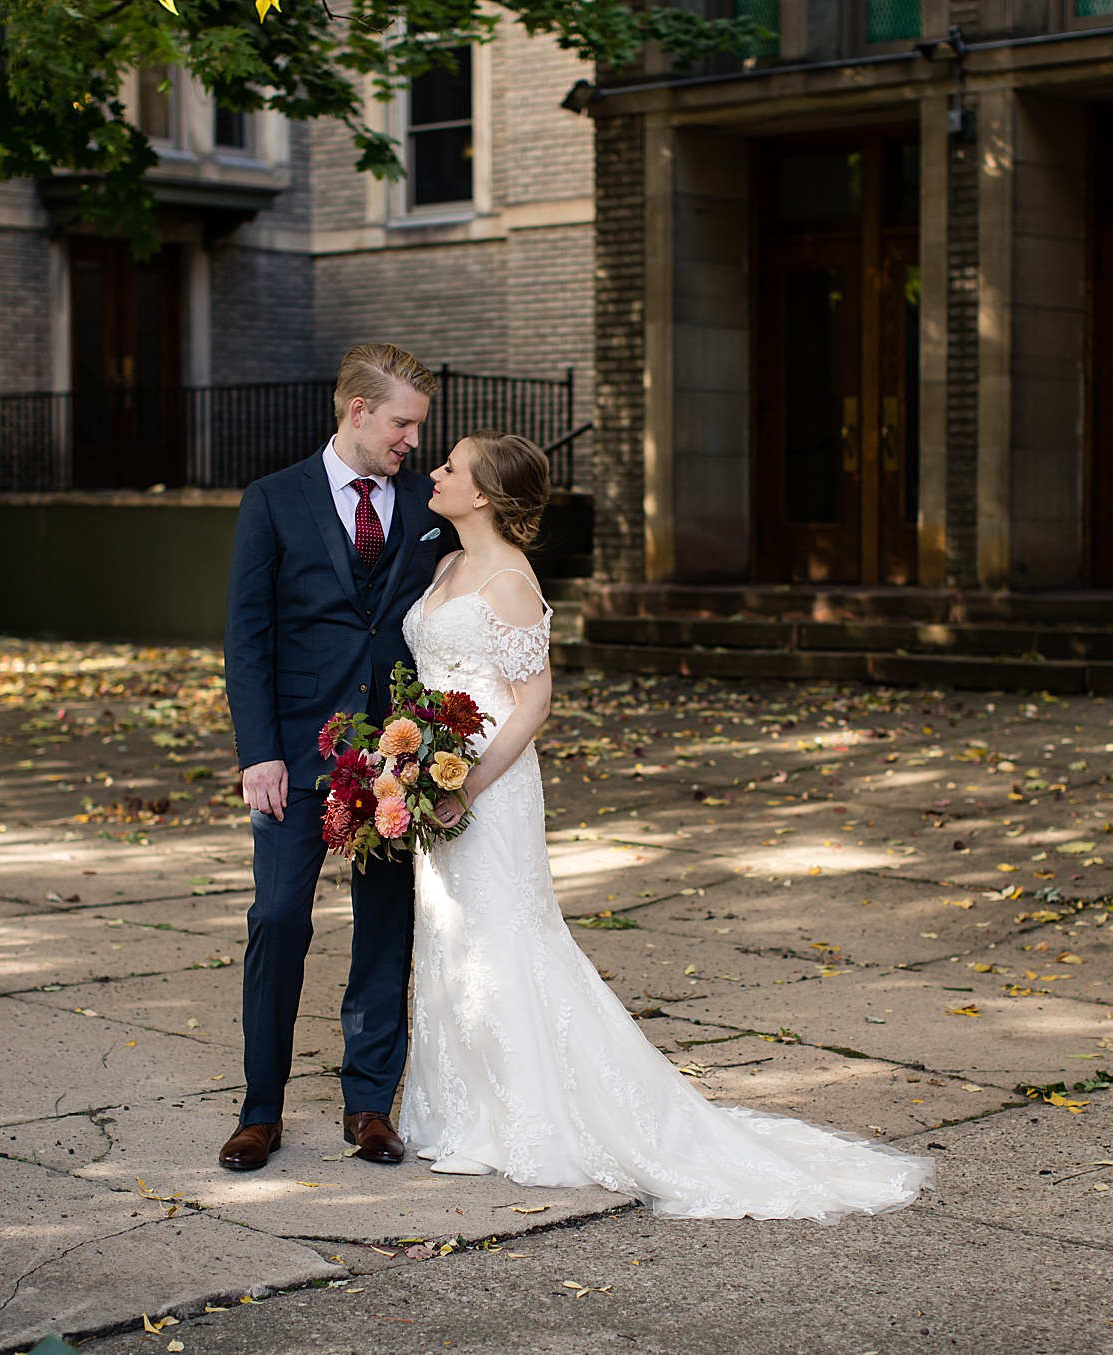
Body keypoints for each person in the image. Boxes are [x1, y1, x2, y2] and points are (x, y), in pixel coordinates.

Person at [398, 430, 936, 1221]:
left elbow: (534, 702)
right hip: (433, 777)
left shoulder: (511, 580)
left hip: (489, 784)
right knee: (452, 933)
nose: (435, 474)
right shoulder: (445, 564)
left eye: (450, 467)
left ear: (481, 493)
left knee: (508, 935)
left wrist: (469, 785)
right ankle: (465, 1108)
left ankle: (532, 1117)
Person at [219, 343, 458, 1172]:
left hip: (394, 764)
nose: (411, 442)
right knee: (278, 922)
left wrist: (427, 752)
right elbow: (247, 638)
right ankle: (260, 1110)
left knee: (384, 932)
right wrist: (259, 753)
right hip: (295, 754)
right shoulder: (273, 501)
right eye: (402, 423)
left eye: (418, 428)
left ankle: (370, 1105)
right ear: (358, 411)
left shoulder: (430, 509)